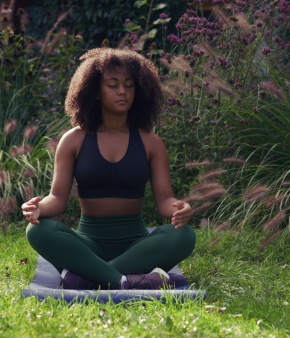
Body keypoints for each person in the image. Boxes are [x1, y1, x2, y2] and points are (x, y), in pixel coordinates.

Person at [21, 47, 196, 290]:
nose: (122, 91)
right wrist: (37, 208)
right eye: (113, 85)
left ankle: (89, 275)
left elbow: (165, 200)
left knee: (184, 235)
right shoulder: (74, 139)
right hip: (87, 244)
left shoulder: (151, 142)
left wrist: (180, 209)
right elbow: (58, 199)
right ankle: (123, 280)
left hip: (136, 246)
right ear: (95, 91)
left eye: (129, 85)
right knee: (38, 231)